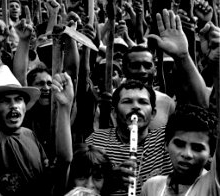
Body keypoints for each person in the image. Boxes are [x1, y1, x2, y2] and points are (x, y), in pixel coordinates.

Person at [0, 18, 74, 195]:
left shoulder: (29, 135)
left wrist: (65, 108)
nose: (13, 106)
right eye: (4, 101)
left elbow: (63, 162)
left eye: (18, 99)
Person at [141, 21, 220, 196]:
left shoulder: (213, 185)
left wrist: (217, 66)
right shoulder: (152, 187)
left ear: (211, 154)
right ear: (166, 143)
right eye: (179, 143)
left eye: (198, 148)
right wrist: (182, 56)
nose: (187, 154)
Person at [86, 80, 173, 196]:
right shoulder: (96, 140)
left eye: (143, 102)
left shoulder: (166, 139)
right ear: (114, 113)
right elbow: (81, 188)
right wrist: (107, 183)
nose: (136, 107)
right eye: (127, 101)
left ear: (153, 114)